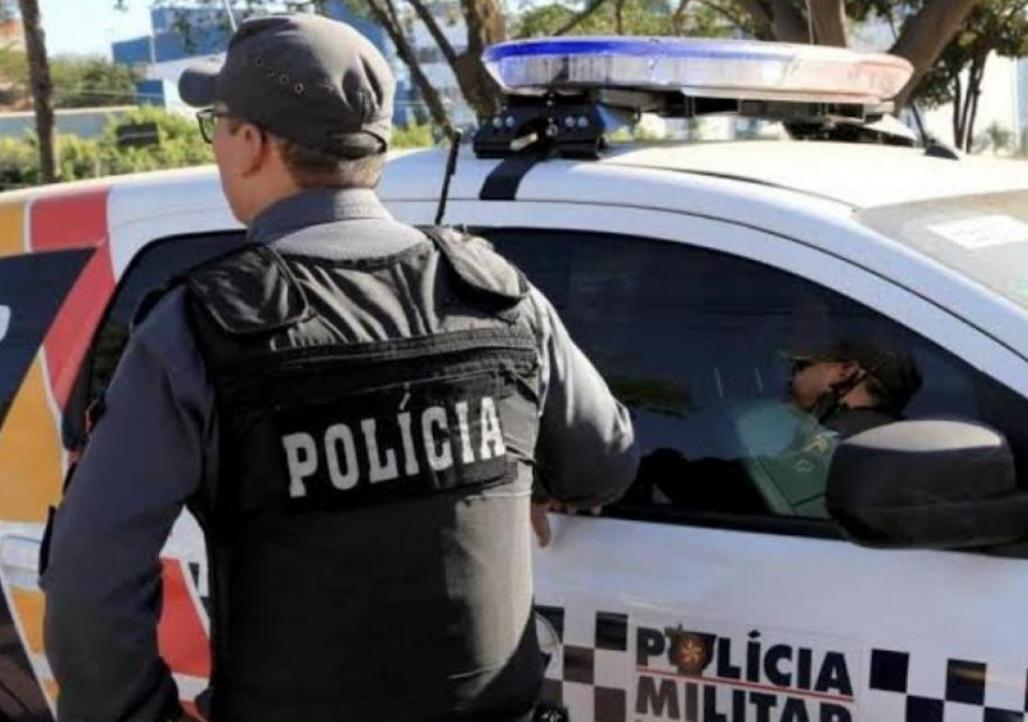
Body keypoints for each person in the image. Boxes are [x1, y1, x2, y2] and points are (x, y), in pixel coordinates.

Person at [42, 14, 638, 722]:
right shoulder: (496, 293)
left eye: (219, 122)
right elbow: (603, 463)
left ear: (253, 145)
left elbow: (90, 580)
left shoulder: (197, 327)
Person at [746, 339, 923, 516]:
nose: (792, 378)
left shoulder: (842, 440)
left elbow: (769, 489)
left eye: (801, 367)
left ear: (845, 372)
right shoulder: (896, 435)